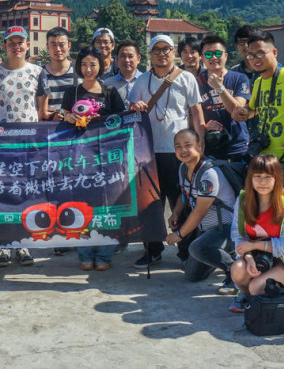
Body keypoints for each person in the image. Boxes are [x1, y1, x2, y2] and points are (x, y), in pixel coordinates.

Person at [128, 34, 205, 268]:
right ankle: (152, 250)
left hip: (180, 152)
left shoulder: (187, 78)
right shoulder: (141, 81)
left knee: (182, 201)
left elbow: (196, 113)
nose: (162, 53)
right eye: (157, 50)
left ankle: (186, 251)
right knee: (150, 205)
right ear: (149, 54)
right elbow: (131, 113)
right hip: (149, 152)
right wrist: (136, 106)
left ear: (174, 53)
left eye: (167, 49)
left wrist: (201, 145)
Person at [59, 47, 126, 271]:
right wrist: (68, 116)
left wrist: (102, 120)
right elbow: (62, 117)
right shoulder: (72, 93)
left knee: (107, 206)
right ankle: (85, 253)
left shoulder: (110, 93)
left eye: (93, 64)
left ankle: (105, 254)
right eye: (85, 64)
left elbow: (122, 121)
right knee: (81, 204)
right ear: (79, 66)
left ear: (101, 66)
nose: (89, 69)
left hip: (106, 156)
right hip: (79, 158)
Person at [0, 26, 48, 266]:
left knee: (26, 192)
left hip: (29, 142)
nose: (16, 46)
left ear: (27, 45)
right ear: (5, 46)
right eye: (11, 42)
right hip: (0, 142)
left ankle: (23, 244)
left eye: (20, 42)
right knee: (2, 191)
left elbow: (41, 109)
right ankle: (4, 245)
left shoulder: (37, 71)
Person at [229, 155, 284, 313]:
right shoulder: (243, 200)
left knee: (256, 286)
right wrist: (249, 257)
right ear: (250, 178)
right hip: (256, 257)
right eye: (257, 176)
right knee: (238, 269)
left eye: (268, 177)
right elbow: (237, 235)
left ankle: (281, 296)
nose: (262, 182)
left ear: (277, 178)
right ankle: (246, 296)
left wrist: (255, 245)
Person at [234, 30, 284, 190]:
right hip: (262, 158)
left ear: (275, 52)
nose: (255, 59)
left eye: (260, 53)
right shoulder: (259, 82)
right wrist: (244, 113)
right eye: (251, 55)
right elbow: (254, 110)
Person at [166, 129, 237, 293]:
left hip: (226, 229)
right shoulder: (183, 168)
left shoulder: (209, 174)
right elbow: (184, 194)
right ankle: (225, 254)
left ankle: (236, 272)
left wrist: (179, 235)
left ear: (200, 146)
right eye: (178, 146)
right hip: (207, 231)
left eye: (188, 145)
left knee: (197, 249)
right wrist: (176, 212)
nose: (183, 150)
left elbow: (199, 212)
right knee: (192, 275)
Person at [196, 34, 252, 166]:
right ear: (202, 58)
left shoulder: (240, 78)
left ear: (225, 56)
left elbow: (237, 110)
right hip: (210, 149)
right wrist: (205, 126)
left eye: (218, 53)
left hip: (237, 148)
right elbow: (190, 116)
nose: (214, 57)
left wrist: (219, 88)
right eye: (208, 54)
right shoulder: (196, 83)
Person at [38, 27, 78, 121]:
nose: (58, 49)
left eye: (61, 45)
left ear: (69, 45)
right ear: (47, 46)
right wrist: (50, 116)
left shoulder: (79, 71)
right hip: (49, 130)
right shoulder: (39, 74)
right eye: (53, 45)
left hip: (76, 128)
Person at [102, 39, 143, 109]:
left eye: (130, 56)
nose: (126, 60)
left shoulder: (146, 81)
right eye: (123, 56)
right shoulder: (108, 84)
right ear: (117, 59)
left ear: (138, 59)